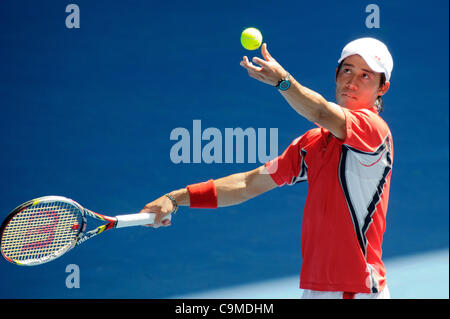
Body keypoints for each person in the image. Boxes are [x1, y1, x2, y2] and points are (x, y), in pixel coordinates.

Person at [140, 37, 394, 299]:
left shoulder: (373, 130)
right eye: (347, 70)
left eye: (365, 75)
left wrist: (283, 81)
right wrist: (177, 197)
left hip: (356, 288)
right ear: (337, 74)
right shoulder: (311, 143)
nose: (351, 82)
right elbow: (248, 184)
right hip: (320, 287)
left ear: (382, 88)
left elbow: (319, 111)